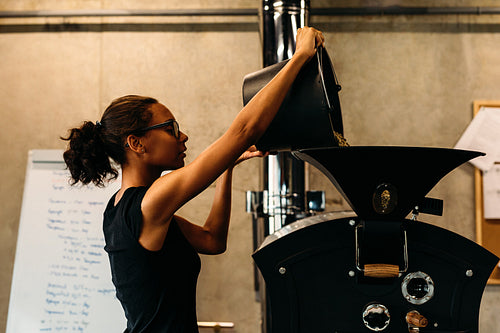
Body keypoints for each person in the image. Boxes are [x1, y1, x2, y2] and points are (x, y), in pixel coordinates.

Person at [61, 27, 325, 333]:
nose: (182, 136)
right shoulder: (152, 201)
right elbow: (244, 131)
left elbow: (212, 240)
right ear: (136, 143)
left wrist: (227, 167)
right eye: (171, 128)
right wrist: (300, 57)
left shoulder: (122, 208)